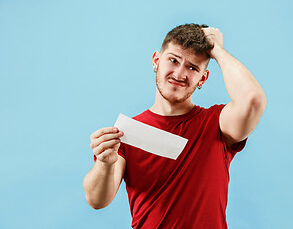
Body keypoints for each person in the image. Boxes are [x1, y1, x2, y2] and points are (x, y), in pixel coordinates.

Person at [83, 23, 267, 228]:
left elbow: (253, 100)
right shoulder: (126, 133)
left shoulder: (217, 124)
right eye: (173, 60)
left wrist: (218, 51)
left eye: (192, 67)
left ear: (202, 79)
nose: (179, 74)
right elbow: (97, 200)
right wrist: (104, 163)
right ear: (156, 61)